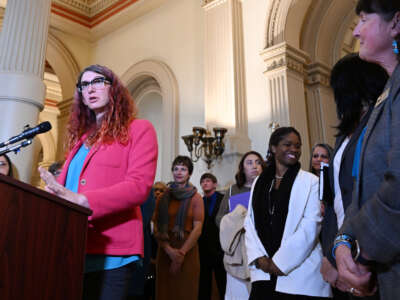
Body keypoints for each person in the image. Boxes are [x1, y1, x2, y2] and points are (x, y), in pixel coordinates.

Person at [38, 64, 158, 300]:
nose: (89, 89)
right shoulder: (80, 141)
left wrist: (83, 200)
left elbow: (138, 186)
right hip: (71, 247)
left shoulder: (139, 129)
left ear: (113, 88)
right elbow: (65, 191)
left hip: (113, 251)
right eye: (84, 85)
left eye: (97, 82)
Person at [333, 1, 400, 299]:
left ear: (395, 23)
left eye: (363, 19)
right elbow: (362, 186)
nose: (356, 31)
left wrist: (359, 252)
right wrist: (343, 240)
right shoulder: (384, 97)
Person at [320, 53, 388, 300]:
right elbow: (333, 202)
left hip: (371, 254)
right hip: (344, 249)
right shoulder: (342, 138)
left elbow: (374, 194)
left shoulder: (379, 123)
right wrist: (330, 254)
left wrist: (358, 254)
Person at [244, 127, 331, 300]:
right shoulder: (259, 182)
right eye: (287, 144)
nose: (294, 149)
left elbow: (311, 226)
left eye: (298, 146)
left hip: (299, 272)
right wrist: (259, 257)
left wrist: (280, 263)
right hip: (263, 272)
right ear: (274, 148)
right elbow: (250, 222)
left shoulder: (311, 181)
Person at [216, 151, 265, 300]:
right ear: (242, 168)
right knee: (238, 292)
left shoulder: (267, 188)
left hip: (262, 245)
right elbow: (219, 218)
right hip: (238, 246)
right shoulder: (233, 190)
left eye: (258, 162)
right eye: (249, 163)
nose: (254, 166)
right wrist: (236, 223)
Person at [154, 155, 204, 300]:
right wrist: (169, 251)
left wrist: (180, 254)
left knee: (185, 292)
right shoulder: (163, 197)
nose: (179, 172)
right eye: (176, 169)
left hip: (187, 251)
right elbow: (156, 226)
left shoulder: (196, 197)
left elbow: (198, 228)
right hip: (165, 250)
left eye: (183, 169)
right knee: (165, 292)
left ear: (189, 173)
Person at [198, 173, 226, 300]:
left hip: (220, 247)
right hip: (203, 248)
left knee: (223, 282)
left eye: (208, 181)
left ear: (215, 184)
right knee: (204, 282)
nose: (205, 183)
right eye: (203, 181)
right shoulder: (199, 201)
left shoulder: (223, 198)